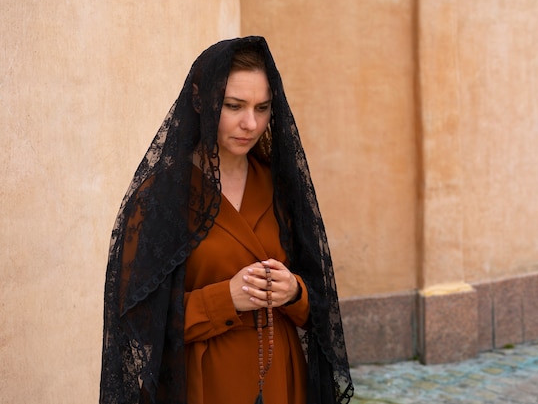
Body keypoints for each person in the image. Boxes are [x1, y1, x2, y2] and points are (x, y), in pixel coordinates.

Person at [99, 36, 353, 404]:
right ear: (200, 100)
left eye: (262, 107)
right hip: (203, 383)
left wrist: (293, 291)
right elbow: (136, 319)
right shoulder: (160, 196)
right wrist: (225, 299)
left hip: (283, 378)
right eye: (234, 106)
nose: (250, 123)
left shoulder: (281, 185)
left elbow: (321, 302)